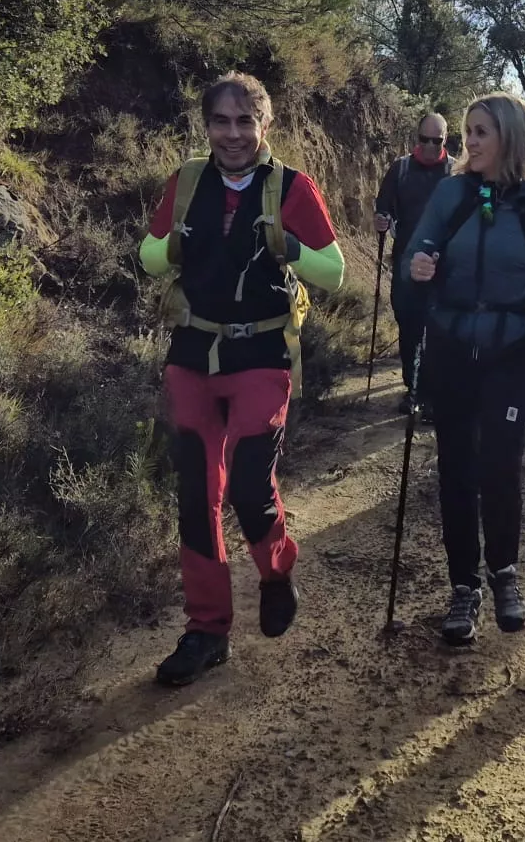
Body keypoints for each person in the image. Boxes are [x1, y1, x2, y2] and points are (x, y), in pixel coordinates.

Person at [139, 72, 345, 687]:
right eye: (222, 122)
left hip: (261, 352)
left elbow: (332, 271)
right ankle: (207, 630)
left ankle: (276, 569)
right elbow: (149, 259)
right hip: (193, 351)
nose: (233, 134)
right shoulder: (187, 182)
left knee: (251, 481)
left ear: (265, 126)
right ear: (207, 126)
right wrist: (170, 243)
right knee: (195, 498)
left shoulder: (291, 187)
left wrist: (285, 245)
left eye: (245, 122)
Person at [405, 92, 525, 646]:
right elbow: (418, 254)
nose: (468, 142)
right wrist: (421, 265)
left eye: (480, 132)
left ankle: (503, 574)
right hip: (453, 345)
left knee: (499, 462)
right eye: (467, 131)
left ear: (511, 137)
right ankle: (464, 587)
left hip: (513, 351)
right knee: (455, 466)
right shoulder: (451, 193)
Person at [374, 112, 456, 403]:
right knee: (408, 324)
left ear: (446, 139)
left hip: (446, 267)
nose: (432, 146)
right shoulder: (401, 169)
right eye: (425, 139)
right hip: (407, 262)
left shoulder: (456, 172)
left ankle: (433, 391)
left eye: (438, 140)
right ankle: (415, 386)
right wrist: (382, 219)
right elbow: (383, 206)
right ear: (416, 138)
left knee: (439, 328)